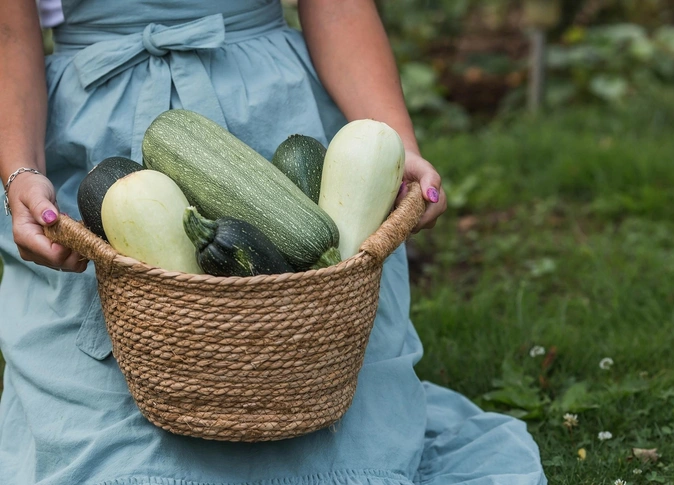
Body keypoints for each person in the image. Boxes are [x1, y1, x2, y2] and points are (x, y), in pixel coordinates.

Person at [0, 0, 548, 483]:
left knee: (323, 393)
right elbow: (9, 27)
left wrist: (393, 144)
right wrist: (21, 171)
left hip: (265, 105)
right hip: (90, 125)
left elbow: (338, 6)